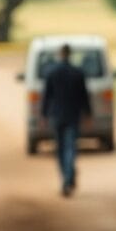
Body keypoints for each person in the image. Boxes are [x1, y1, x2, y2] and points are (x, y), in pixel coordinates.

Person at [41, 44, 91, 197]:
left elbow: (47, 96)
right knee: (71, 147)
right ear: (70, 54)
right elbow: (84, 96)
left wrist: (44, 115)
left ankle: (66, 177)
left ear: (60, 54)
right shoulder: (78, 73)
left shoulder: (52, 72)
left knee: (60, 149)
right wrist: (88, 114)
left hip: (57, 116)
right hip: (73, 115)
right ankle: (69, 177)